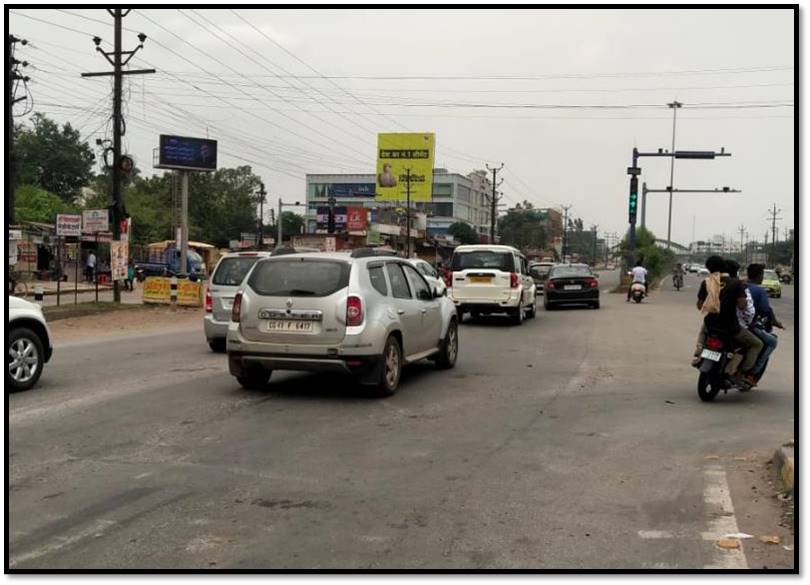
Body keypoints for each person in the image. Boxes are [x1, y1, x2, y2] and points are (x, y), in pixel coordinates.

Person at [694, 256, 763, 388]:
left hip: (710, 325)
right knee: (757, 344)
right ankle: (740, 373)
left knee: (705, 331)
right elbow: (742, 306)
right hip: (730, 327)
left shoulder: (707, 282)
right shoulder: (736, 283)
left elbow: (700, 305)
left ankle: (700, 352)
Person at [746, 263, 785, 381]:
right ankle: (753, 373)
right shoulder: (759, 290)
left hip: (732, 323)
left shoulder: (739, 285)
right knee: (772, 341)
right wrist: (775, 322)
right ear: (759, 276)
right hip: (747, 325)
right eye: (762, 275)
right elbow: (766, 309)